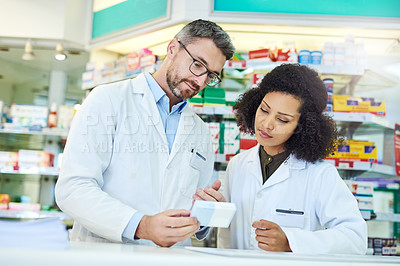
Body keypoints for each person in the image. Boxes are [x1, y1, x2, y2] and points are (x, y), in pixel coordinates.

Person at [55, 19, 235, 247]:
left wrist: (207, 212)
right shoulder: (108, 100)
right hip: (106, 255)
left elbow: (188, 203)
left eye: (210, 76)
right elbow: (73, 189)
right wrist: (142, 225)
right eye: (198, 64)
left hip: (172, 258)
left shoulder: (200, 130)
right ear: (172, 48)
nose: (200, 80)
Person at [192, 64, 367, 254]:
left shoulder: (319, 174)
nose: (266, 125)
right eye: (264, 110)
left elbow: (355, 239)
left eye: (282, 120)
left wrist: (291, 242)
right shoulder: (238, 164)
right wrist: (208, 211)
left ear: (303, 125)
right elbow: (226, 234)